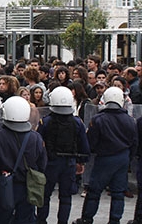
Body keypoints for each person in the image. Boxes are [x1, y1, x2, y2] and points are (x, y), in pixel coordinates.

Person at [73, 87, 138, 224]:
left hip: (104, 157)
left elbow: (91, 141)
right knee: (118, 192)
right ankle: (115, 219)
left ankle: (87, 218)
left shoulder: (98, 119)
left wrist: (87, 156)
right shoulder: (130, 120)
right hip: (122, 158)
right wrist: (128, 157)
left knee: (94, 191)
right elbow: (134, 142)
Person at [0, 96, 47, 224]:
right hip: (28, 185)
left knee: (0, 218)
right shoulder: (36, 137)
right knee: (25, 218)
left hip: (4, 185)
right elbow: (42, 163)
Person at [36, 86, 90, 224]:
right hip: (69, 162)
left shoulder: (45, 121)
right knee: (66, 197)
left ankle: (41, 220)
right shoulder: (77, 122)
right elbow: (83, 144)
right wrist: (81, 161)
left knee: (45, 195)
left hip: (50, 163)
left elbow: (38, 143)